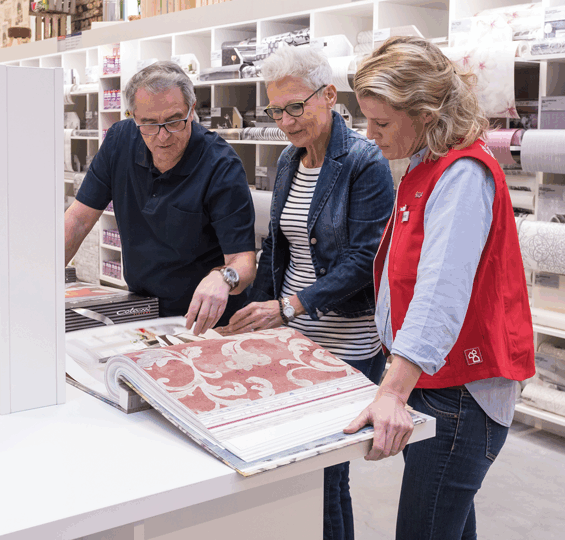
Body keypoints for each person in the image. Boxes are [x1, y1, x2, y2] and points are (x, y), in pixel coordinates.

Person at [345, 36, 535, 540]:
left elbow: (441, 291)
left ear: (427, 113)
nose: (370, 134)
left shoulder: (462, 175)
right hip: (438, 385)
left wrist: (391, 391)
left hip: (462, 394)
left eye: (381, 123)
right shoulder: (426, 166)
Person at [222, 44, 395, 540]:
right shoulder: (287, 161)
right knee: (302, 471)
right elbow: (281, 245)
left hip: (347, 343)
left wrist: (290, 305)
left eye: (296, 107)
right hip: (297, 335)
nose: (286, 121)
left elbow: (365, 261)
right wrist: (266, 310)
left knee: (325, 473)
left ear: (329, 95)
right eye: (276, 110)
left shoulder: (364, 162)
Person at [64, 61, 257, 335]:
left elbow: (244, 262)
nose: (163, 136)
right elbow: (78, 220)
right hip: (141, 310)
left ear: (192, 112)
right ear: (133, 117)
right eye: (149, 124)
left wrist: (223, 278)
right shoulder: (120, 141)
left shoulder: (221, 166)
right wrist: (41, 276)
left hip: (208, 322)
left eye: (174, 121)